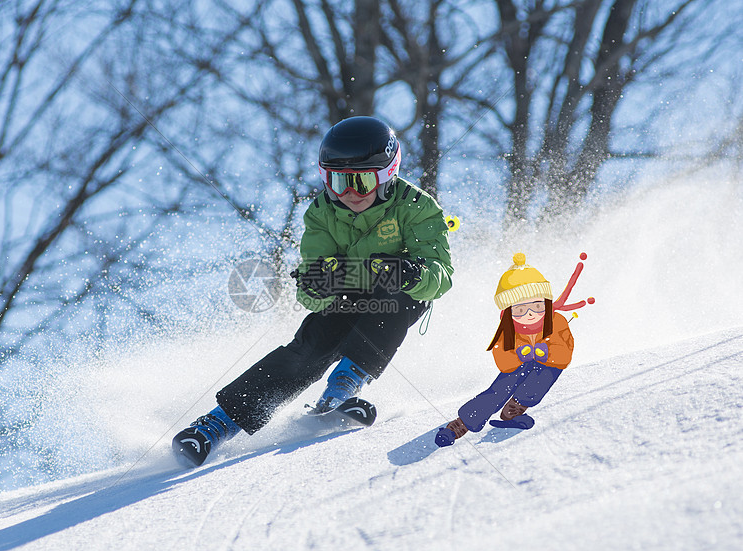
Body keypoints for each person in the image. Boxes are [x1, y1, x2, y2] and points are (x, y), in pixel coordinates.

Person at [173, 116, 454, 466]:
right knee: (310, 347)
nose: (348, 193)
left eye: (361, 181)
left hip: (395, 293)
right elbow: (310, 290)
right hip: (345, 294)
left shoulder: (417, 207)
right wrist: (316, 286)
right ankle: (217, 424)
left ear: (386, 176)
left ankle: (342, 388)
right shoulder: (322, 213)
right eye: (337, 181)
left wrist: (413, 274)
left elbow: (441, 276)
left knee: (394, 298)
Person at [436, 253, 592, 445]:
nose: (530, 314)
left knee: (543, 376)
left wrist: (546, 351)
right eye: (520, 310)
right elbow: (502, 358)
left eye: (537, 306)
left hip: (546, 366)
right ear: (508, 312)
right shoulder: (508, 328)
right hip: (518, 367)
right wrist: (518, 355)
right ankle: (460, 425)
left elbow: (565, 352)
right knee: (499, 389)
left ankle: (514, 410)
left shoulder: (556, 321)